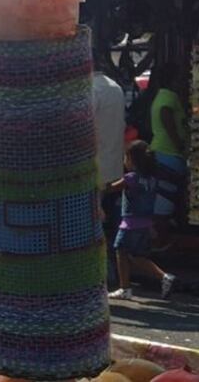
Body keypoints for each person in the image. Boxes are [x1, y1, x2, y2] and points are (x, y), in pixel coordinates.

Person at [108, 141, 176, 300]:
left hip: (129, 225)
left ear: (131, 159)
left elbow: (111, 188)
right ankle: (163, 278)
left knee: (121, 250)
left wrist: (101, 184)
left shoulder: (131, 178)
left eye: (125, 157)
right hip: (145, 224)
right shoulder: (152, 179)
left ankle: (127, 287)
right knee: (136, 255)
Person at [92, 57, 126, 286]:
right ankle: (112, 269)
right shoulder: (115, 87)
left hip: (94, 166)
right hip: (114, 163)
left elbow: (85, 125)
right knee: (111, 220)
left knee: (94, 219)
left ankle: (102, 272)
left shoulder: (92, 90)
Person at [149, 64, 189, 249]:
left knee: (165, 199)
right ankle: (160, 241)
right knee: (164, 201)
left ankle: (161, 238)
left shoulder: (162, 95)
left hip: (166, 154)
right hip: (168, 153)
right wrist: (179, 144)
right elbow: (167, 118)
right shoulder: (168, 97)